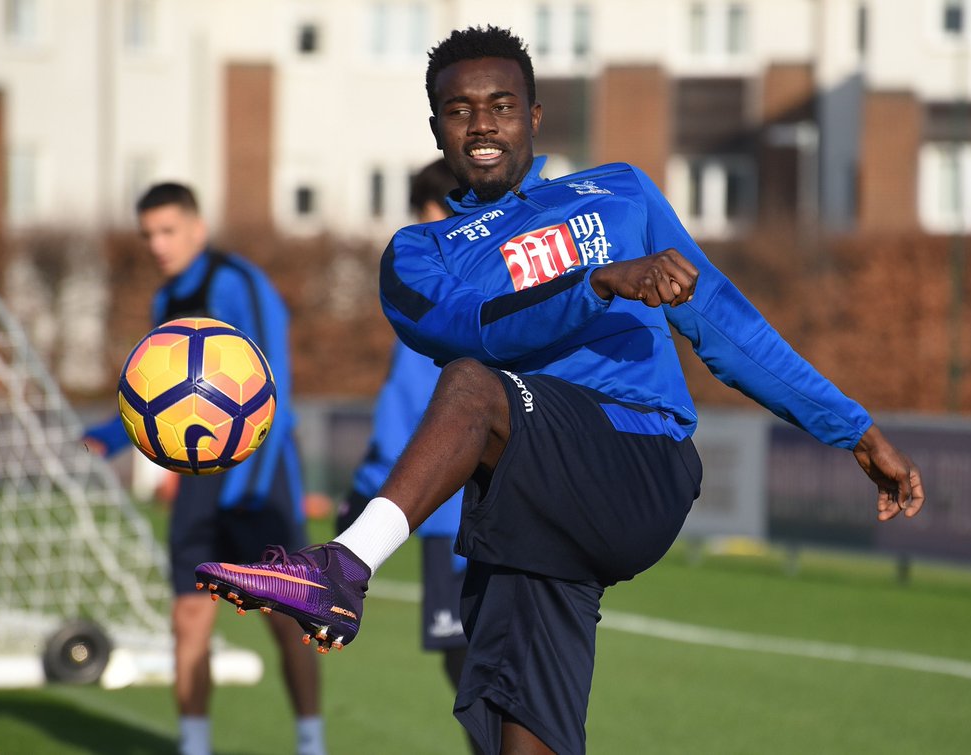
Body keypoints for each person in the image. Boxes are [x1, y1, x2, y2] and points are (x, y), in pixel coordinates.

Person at [195, 26, 925, 755]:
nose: (482, 123)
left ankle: (343, 568)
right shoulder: (418, 256)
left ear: (535, 116)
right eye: (460, 109)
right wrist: (597, 283)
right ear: (436, 128)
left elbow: (726, 325)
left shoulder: (621, 193)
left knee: (472, 392)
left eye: (502, 104)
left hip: (639, 456)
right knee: (522, 731)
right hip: (528, 505)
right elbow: (477, 334)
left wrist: (852, 425)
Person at [84, 182, 326, 755]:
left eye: (168, 231)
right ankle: (194, 746)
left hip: (259, 478)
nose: (158, 245)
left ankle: (311, 743)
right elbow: (155, 405)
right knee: (188, 620)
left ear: (197, 227)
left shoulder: (240, 283)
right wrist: (104, 436)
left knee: (287, 621)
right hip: (195, 488)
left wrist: (251, 486)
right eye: (148, 236)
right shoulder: (164, 303)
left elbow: (275, 393)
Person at [338, 158, 483, 755]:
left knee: (472, 667)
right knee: (495, 664)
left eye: (429, 220)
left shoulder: (438, 305)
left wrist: (363, 497)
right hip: (503, 505)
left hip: (451, 518)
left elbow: (405, 417)